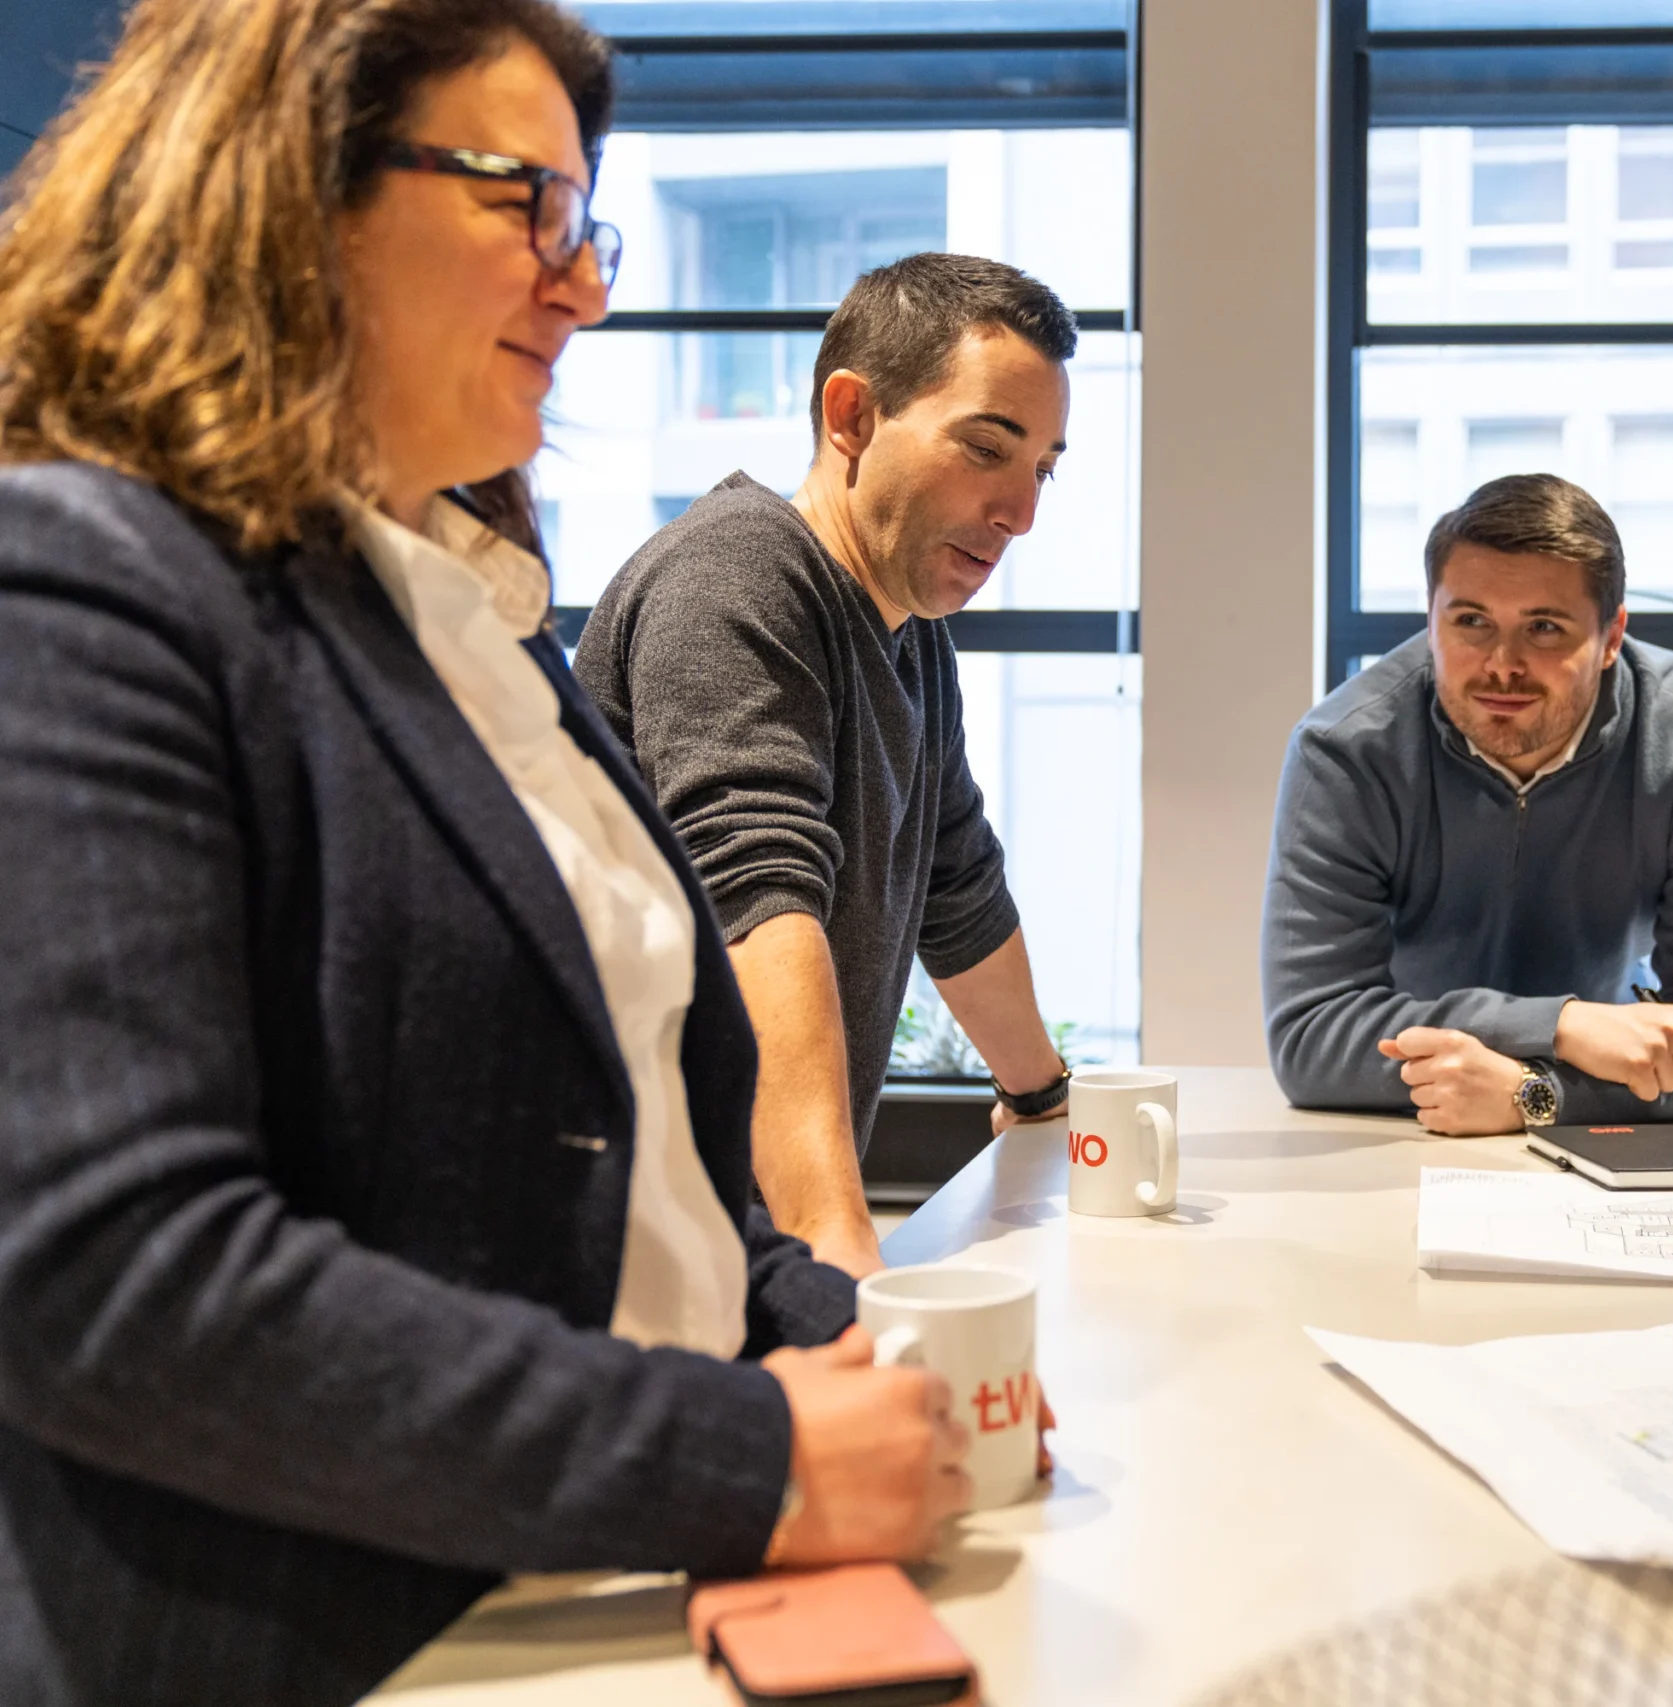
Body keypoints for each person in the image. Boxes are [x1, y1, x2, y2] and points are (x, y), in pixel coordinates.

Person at [0, 5, 979, 1701]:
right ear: (278, 189)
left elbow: (628, 1164)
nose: (584, 283)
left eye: (582, 223)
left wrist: (857, 1341)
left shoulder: (460, 609)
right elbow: (116, 1280)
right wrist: (738, 1452)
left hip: (575, 1603)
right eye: (520, 204)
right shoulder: (80, 586)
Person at [575, 254, 1078, 1280]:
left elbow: (956, 888)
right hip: (642, 1244)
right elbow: (753, 898)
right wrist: (834, 1250)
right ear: (849, 416)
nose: (1019, 512)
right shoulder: (735, 578)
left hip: (748, 1239)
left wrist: (1043, 1101)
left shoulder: (910, 636)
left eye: (1043, 471)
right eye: (987, 449)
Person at [1262, 474, 1673, 1133]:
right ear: (1431, 618)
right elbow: (1311, 1039)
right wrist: (1560, 1026)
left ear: (1612, 636)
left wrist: (1531, 1093)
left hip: (1606, 1142)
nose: (1501, 664)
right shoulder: (1345, 751)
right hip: (1395, 1132)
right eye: (1471, 622)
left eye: (1543, 627)